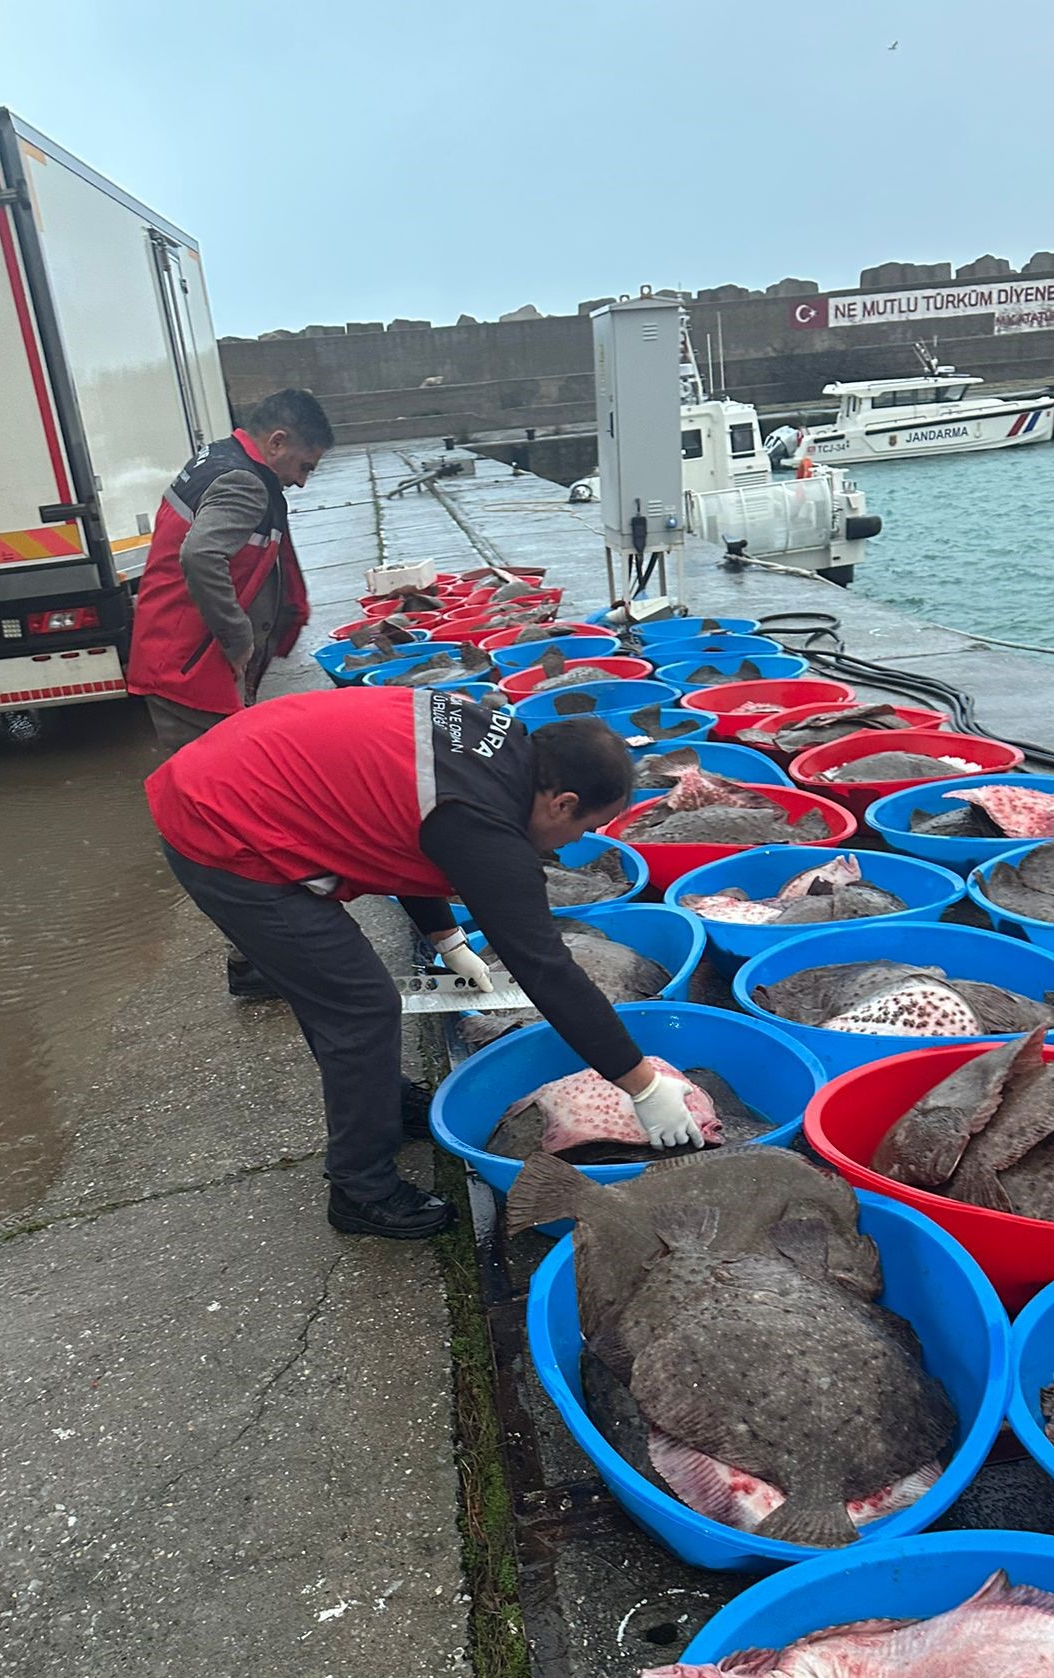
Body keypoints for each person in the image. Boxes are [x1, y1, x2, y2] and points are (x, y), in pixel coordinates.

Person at [145, 689, 706, 1240]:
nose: (575, 842)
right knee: (360, 1008)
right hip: (220, 822)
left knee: (339, 992)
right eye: (585, 827)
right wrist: (641, 1085)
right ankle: (360, 1190)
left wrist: (446, 938)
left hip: (239, 768)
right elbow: (545, 969)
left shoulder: (497, 747)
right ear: (561, 802)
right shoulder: (483, 822)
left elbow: (408, 832)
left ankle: (382, 1101)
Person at [126, 388, 335, 755]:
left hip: (171, 654)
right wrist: (238, 638)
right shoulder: (244, 483)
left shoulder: (217, 457)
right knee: (213, 786)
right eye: (304, 466)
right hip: (189, 667)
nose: (302, 481)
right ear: (277, 442)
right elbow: (201, 555)